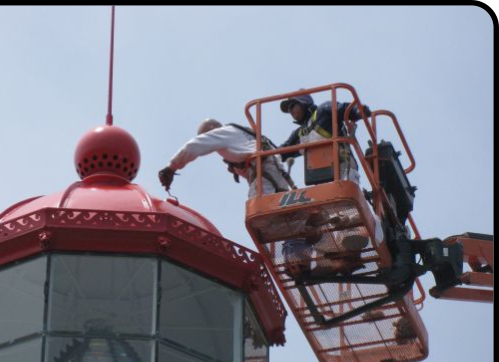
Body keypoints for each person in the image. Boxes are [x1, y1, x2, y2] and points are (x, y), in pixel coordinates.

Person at [279, 92, 383, 276]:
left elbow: (347, 110)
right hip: (320, 179)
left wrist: (361, 111)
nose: (291, 112)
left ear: (303, 103)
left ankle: (353, 245)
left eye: (293, 106)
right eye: (288, 110)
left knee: (347, 207)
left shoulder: (324, 110)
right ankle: (336, 256)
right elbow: (282, 151)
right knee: (327, 214)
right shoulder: (300, 133)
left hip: (342, 167)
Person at [158, 119, 293, 197]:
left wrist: (171, 167)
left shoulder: (224, 133)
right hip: (275, 171)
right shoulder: (240, 137)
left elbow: (193, 146)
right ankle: (298, 243)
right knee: (281, 212)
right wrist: (236, 167)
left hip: (266, 172)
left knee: (260, 211)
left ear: (212, 129)